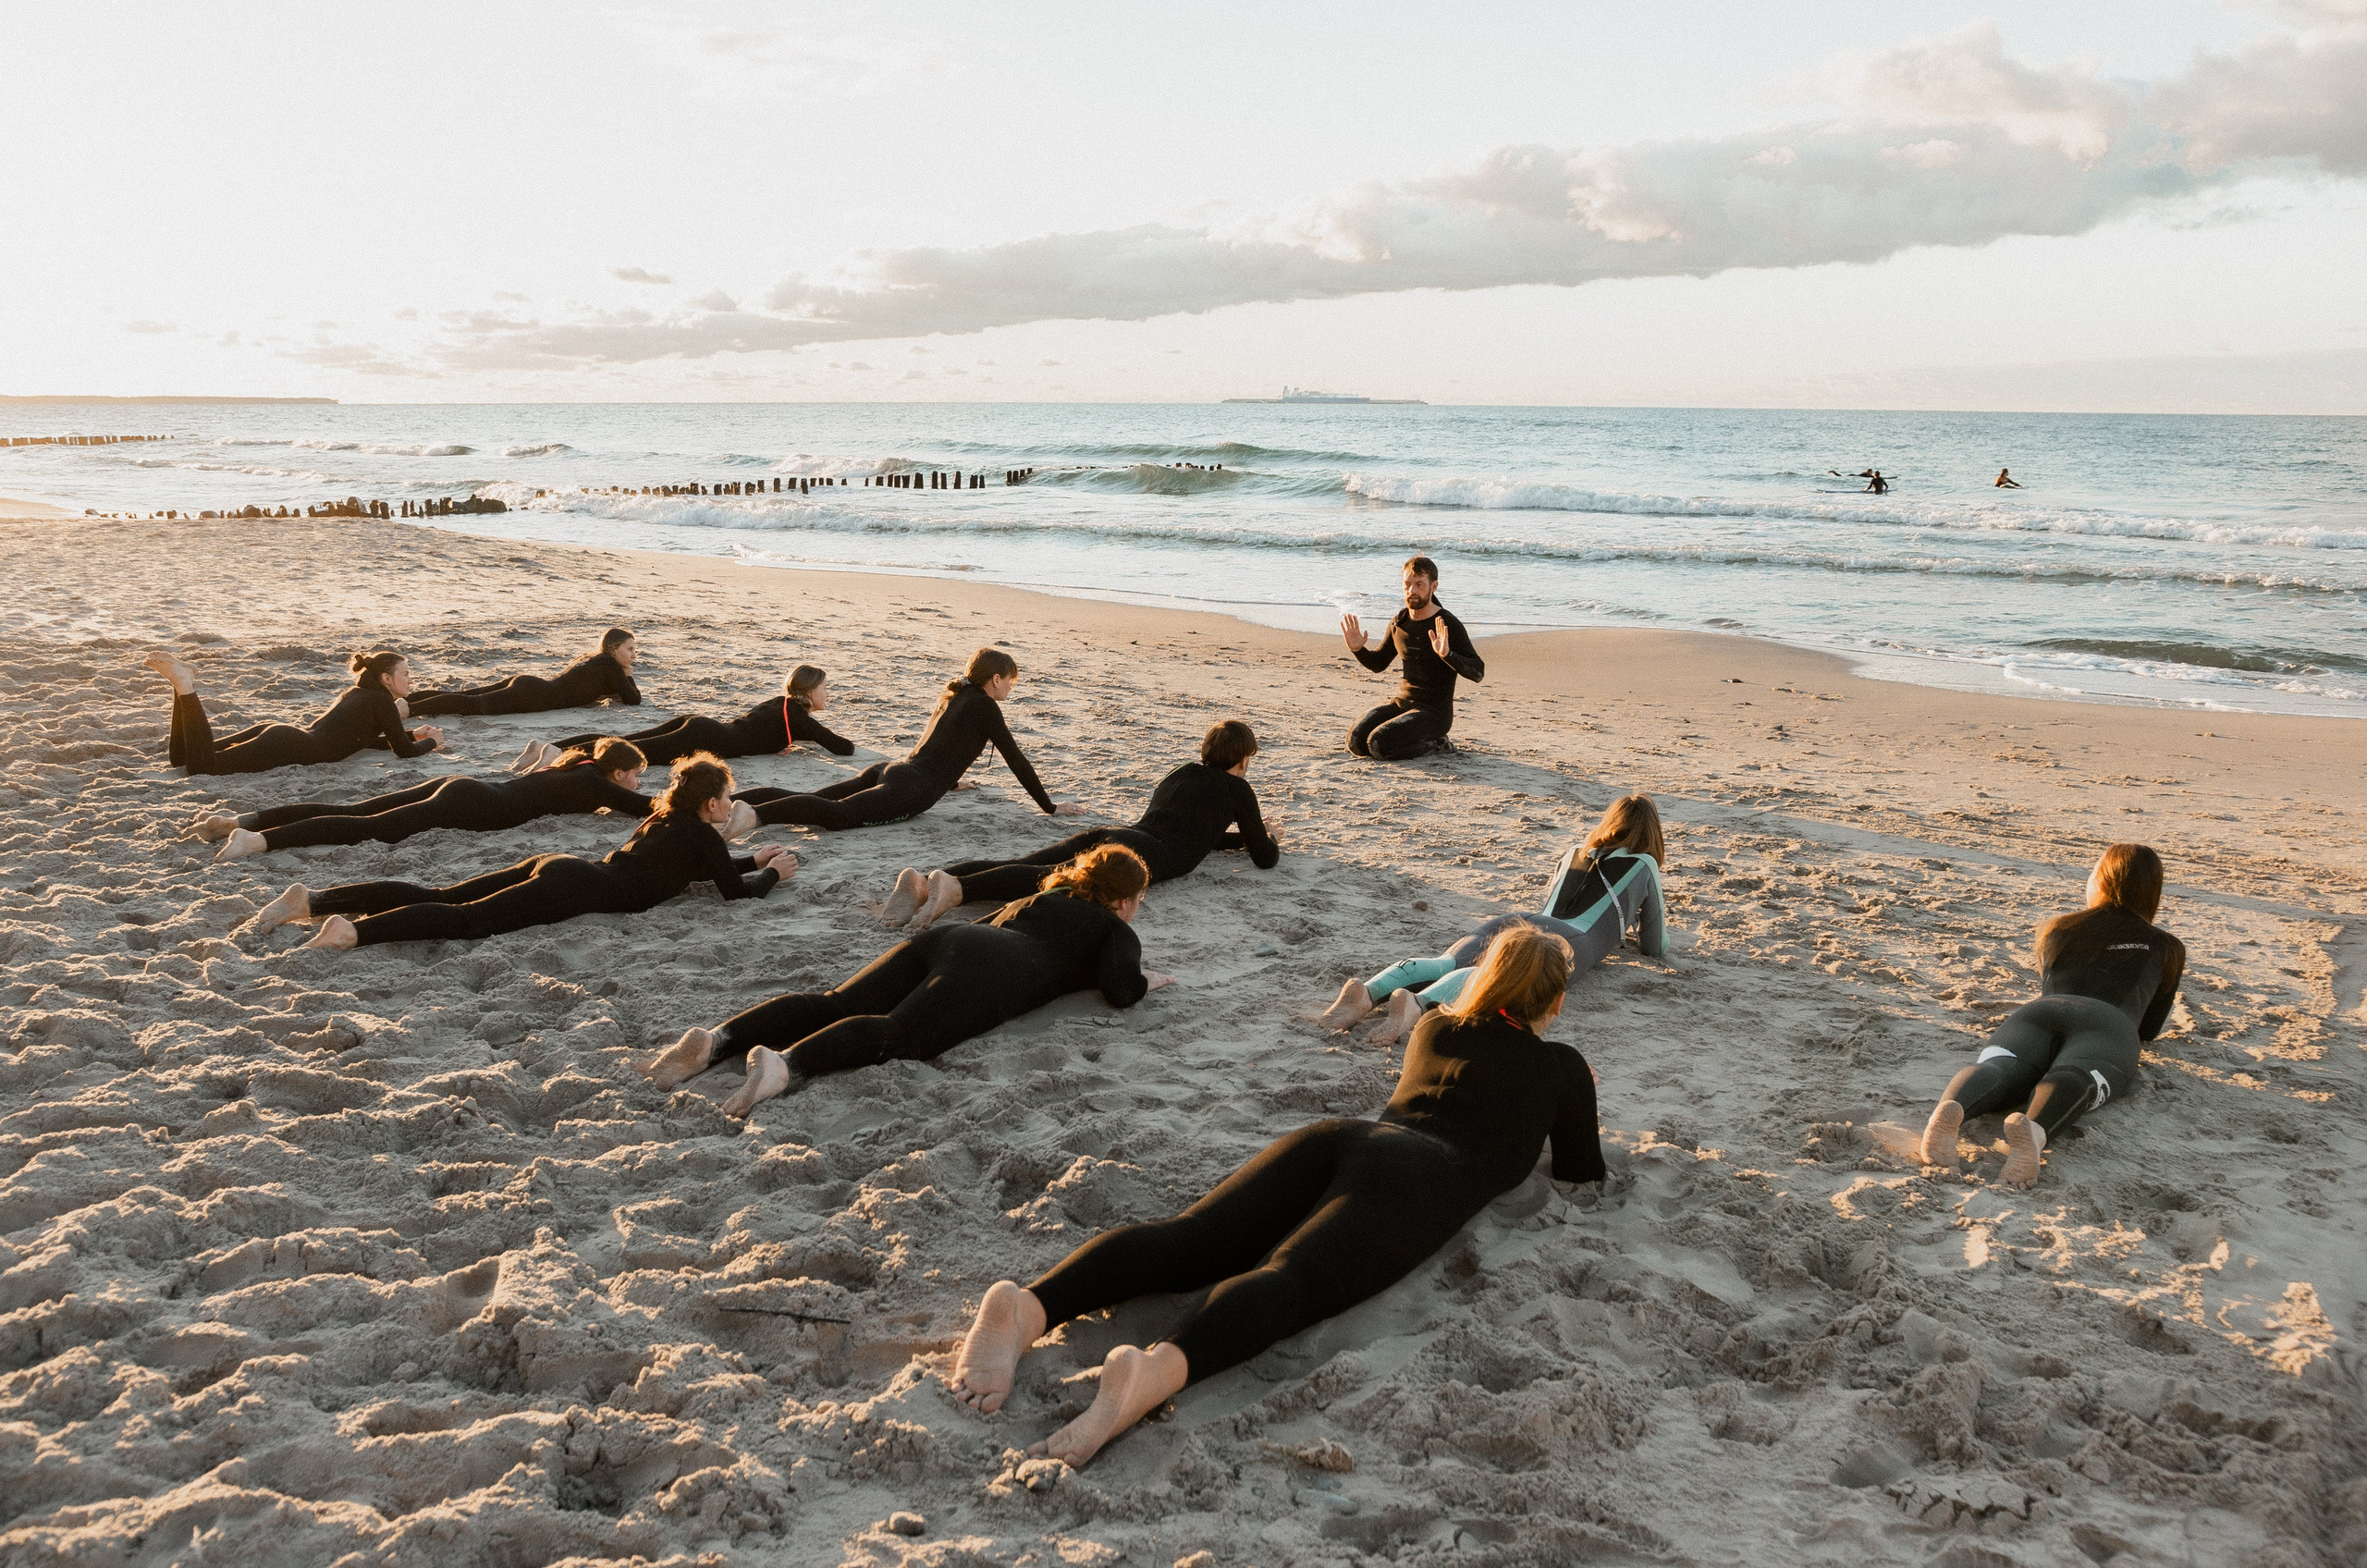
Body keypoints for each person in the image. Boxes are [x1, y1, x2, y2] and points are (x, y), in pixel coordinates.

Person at [944, 923, 1601, 1467]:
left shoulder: (1435, 1030)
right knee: (1293, 1279)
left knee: (1193, 1237)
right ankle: (1157, 1370)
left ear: (1485, 978)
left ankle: (1026, 1305)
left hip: (1344, 1139)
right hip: (1422, 1177)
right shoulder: (1562, 1066)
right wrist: (1568, 1095)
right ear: (1556, 1003)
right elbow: (1580, 1170)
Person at [644, 843, 1171, 1117]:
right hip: (994, 965)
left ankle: (718, 1039)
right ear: (1124, 900)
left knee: (835, 1001)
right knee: (901, 1033)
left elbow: (992, 926)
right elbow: (1121, 990)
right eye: (1139, 900)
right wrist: (1147, 979)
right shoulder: (1115, 929)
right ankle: (786, 1064)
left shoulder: (1043, 896)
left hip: (956, 938)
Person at [250, 753, 792, 950]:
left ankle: (314, 901)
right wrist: (774, 875)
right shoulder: (702, 835)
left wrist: (754, 859)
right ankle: (354, 933)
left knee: (443, 893)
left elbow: (702, 869)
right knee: (468, 921)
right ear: (710, 804)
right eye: (728, 798)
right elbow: (734, 894)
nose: (731, 805)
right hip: (574, 888)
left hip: (565, 867)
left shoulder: (668, 821)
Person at [1915, 844, 2185, 1187]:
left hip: (2040, 1013)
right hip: (2109, 1023)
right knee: (2077, 1073)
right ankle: (2034, 1131)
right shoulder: (2167, 946)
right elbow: (2149, 1029)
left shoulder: (2057, 928)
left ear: (2103, 882)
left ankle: (1952, 1108)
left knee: (2000, 1066)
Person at [1319, 794, 1667, 1046]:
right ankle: (1417, 1004)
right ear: (1652, 834)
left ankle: (1367, 992)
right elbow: (1655, 944)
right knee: (1494, 973)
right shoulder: (1645, 863)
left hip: (1524, 920)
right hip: (1571, 938)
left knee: (1447, 962)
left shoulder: (1574, 852)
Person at [885, 718, 1281, 930]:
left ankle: (927, 881)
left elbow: (1199, 834)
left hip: (1119, 834)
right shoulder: (1237, 788)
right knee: (1047, 877)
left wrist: (1236, 841)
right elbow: (1265, 858)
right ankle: (958, 889)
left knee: (1025, 862)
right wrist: (1268, 838)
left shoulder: (1181, 772)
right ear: (1243, 758)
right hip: (1143, 853)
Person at [735, 648, 1078, 830]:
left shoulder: (955, 695)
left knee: (814, 799)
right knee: (838, 816)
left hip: (893, 769)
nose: (1011, 688)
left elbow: (943, 744)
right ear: (996, 679)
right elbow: (1015, 759)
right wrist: (1049, 806)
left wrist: (952, 782)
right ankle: (753, 817)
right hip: (911, 790)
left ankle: (728, 803)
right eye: (1011, 681)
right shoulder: (985, 706)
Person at [198, 737, 653, 859]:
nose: (636, 783)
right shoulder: (596, 784)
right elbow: (649, 807)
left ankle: (243, 820)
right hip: (472, 806)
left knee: (355, 810)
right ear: (617, 773)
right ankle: (258, 841)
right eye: (636, 776)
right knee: (369, 827)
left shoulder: (578, 767)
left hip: (465, 786)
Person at [145, 648, 443, 777]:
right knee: (201, 767)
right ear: (387, 679)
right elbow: (403, 752)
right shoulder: (382, 703)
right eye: (406, 674)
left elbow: (361, 741)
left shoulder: (359, 695)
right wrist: (432, 741)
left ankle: (180, 684)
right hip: (286, 746)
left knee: (182, 759)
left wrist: (411, 733)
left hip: (284, 736)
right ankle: (184, 685)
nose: (411, 680)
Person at [510, 664, 852, 771]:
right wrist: (812, 735)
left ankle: (551, 746)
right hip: (705, 739)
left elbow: (775, 731)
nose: (828, 694)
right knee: (631, 751)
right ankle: (555, 755)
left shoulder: (780, 703)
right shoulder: (799, 716)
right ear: (809, 691)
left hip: (704, 725)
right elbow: (842, 747)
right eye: (825, 688)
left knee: (626, 741)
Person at [1340, 555, 1483, 761]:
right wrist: (1358, 649)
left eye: (1419, 584)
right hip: (1403, 704)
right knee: (1356, 742)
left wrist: (1447, 655)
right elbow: (1378, 663)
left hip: (1434, 714)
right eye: (1407, 584)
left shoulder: (1447, 624)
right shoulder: (1399, 622)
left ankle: (1437, 744)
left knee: (1379, 745)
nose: (1412, 590)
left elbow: (1478, 672)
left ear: (1434, 586)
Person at [404, 627, 644, 717]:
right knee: (469, 704)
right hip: (533, 696)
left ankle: (407, 700)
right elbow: (633, 700)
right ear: (614, 649)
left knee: (466, 696)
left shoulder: (593, 659)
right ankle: (409, 709)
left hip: (531, 685)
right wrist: (629, 674)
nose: (634, 655)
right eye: (629, 649)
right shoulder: (611, 665)